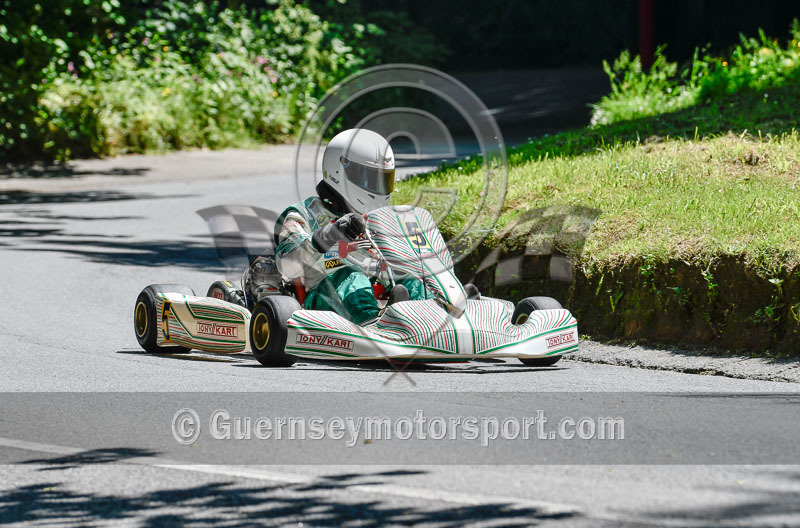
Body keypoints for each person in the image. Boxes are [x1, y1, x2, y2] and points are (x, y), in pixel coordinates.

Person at [274, 128, 429, 324]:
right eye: (370, 178)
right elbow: (286, 264)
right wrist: (329, 234)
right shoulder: (304, 214)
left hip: (377, 289)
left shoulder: (380, 219)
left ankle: (437, 315)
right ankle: (374, 323)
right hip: (322, 294)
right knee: (351, 276)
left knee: (413, 279)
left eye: (383, 179)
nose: (378, 187)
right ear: (340, 170)